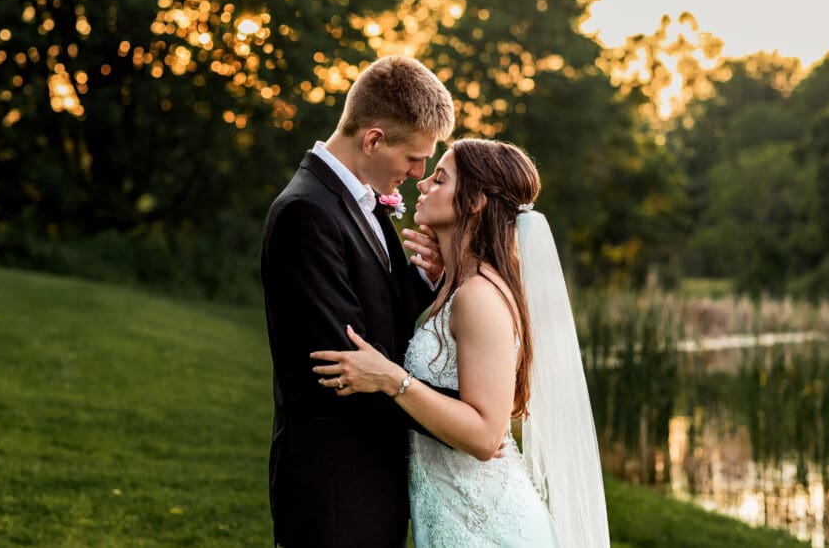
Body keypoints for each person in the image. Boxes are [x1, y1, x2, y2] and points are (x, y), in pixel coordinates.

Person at [311, 138, 611, 548]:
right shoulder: (461, 288)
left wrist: (391, 380)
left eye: (440, 178)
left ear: (474, 203)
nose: (422, 184)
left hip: (486, 527)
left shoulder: (478, 297)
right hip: (453, 517)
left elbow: (486, 436)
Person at [261, 55, 457, 547]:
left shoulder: (357, 199)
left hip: (370, 473)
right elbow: (346, 363)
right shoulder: (306, 212)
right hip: (334, 483)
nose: (418, 173)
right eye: (414, 158)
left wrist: (428, 279)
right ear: (373, 139)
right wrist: (464, 422)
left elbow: (379, 314)